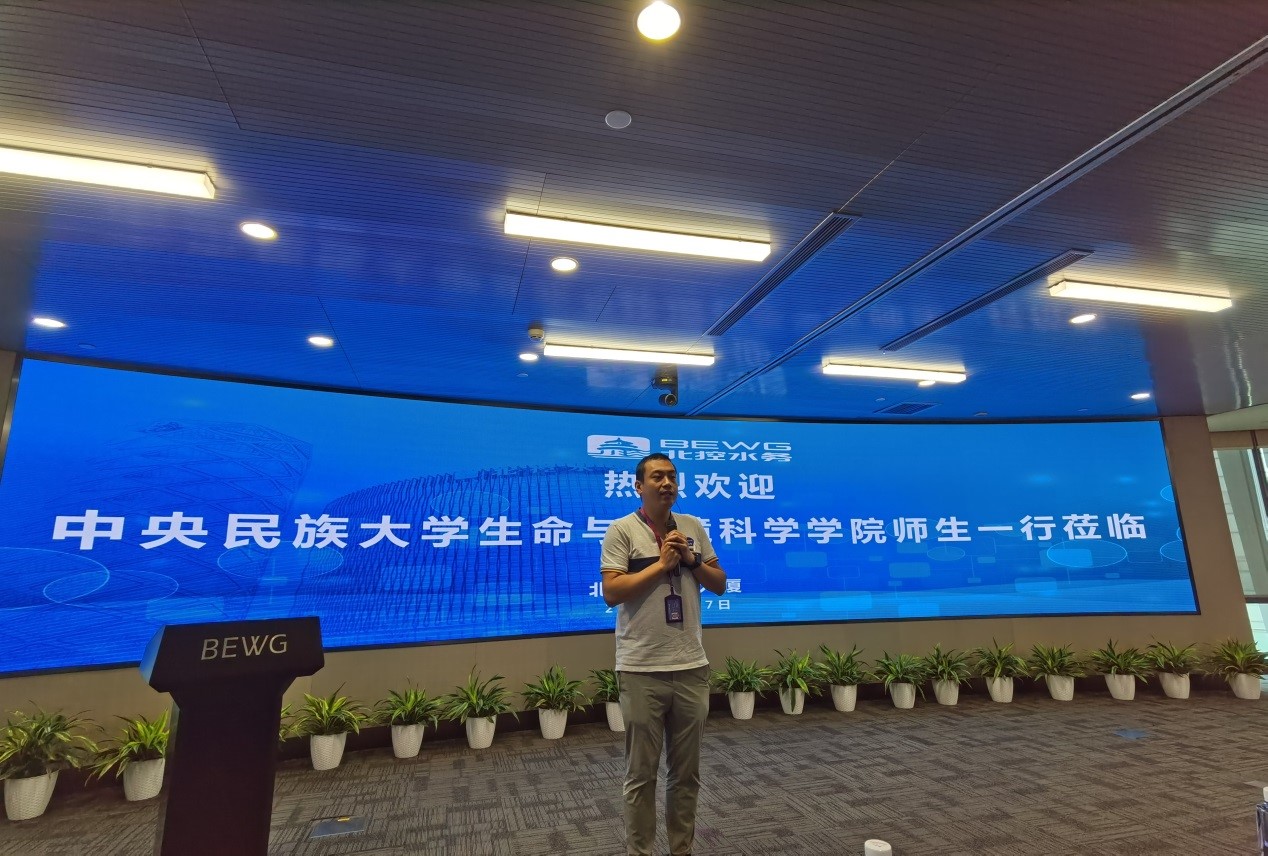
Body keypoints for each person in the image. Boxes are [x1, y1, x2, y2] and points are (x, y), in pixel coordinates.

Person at [599, 452, 727, 856]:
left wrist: (690, 560)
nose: (667, 483)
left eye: (672, 476)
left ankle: (680, 850)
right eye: (657, 477)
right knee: (641, 776)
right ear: (639, 486)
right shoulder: (621, 530)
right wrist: (661, 564)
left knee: (686, 775)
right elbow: (611, 592)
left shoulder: (692, 527)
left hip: (691, 667)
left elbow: (719, 582)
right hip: (641, 669)